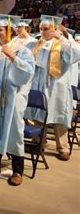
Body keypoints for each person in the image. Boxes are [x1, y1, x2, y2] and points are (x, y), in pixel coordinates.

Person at [0, 14, 35, 186]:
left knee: (14, 132)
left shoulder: (21, 49)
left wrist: (13, 57)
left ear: (9, 31)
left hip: (12, 98)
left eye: (0, 30)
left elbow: (28, 72)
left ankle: (18, 170)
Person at [24, 15, 80, 161]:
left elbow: (76, 53)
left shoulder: (62, 44)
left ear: (54, 29)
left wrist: (61, 37)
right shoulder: (37, 44)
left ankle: (62, 147)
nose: (43, 32)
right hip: (39, 85)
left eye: (46, 29)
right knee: (38, 115)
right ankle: (39, 142)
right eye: (41, 29)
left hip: (57, 86)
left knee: (59, 116)